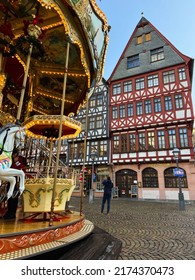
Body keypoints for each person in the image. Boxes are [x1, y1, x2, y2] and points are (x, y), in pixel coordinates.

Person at [3, 148, 27, 220]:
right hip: (10, 179)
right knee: (9, 196)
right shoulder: (9, 159)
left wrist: (17, 162)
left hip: (17, 179)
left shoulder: (20, 159)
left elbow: (23, 168)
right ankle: (9, 211)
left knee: (14, 197)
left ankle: (12, 212)